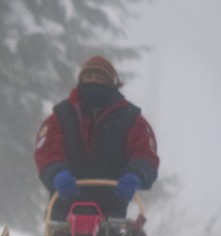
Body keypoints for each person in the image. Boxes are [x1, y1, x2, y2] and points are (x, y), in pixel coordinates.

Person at [34, 55, 159, 221]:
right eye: (88, 77)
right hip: (64, 208)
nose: (93, 81)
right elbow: (46, 150)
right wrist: (57, 173)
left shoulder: (130, 119)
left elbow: (145, 154)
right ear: (81, 80)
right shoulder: (62, 115)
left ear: (111, 83)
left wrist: (135, 175)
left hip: (112, 210)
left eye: (99, 77)